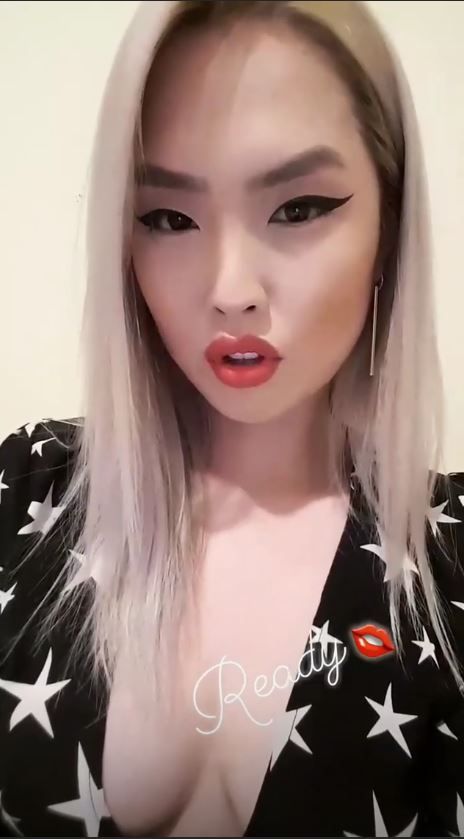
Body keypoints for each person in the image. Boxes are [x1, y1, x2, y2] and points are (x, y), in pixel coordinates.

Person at [1, 0, 464, 836]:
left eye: (299, 208)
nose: (230, 289)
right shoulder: (23, 496)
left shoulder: (450, 566)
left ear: (390, 226)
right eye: (168, 218)